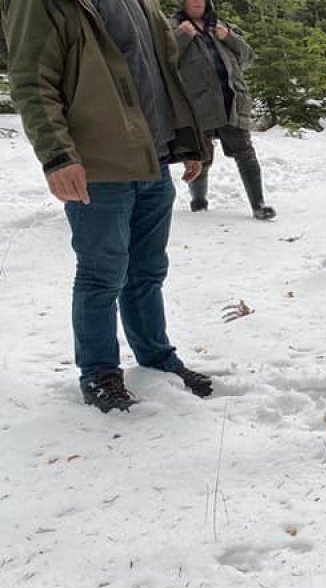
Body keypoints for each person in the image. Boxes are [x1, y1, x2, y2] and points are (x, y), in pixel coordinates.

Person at [2, 0, 215, 412]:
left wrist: (187, 139)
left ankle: (156, 358)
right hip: (98, 163)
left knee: (147, 270)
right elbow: (32, 80)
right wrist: (57, 156)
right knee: (102, 274)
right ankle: (99, 373)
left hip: (153, 158)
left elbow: (161, 69)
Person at [171, 0, 275, 220]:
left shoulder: (220, 25)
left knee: (245, 152)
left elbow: (248, 57)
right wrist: (181, 37)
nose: (197, 2)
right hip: (196, 105)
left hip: (231, 102)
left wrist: (229, 37)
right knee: (200, 155)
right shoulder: (173, 28)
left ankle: (258, 205)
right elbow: (163, 61)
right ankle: (198, 202)